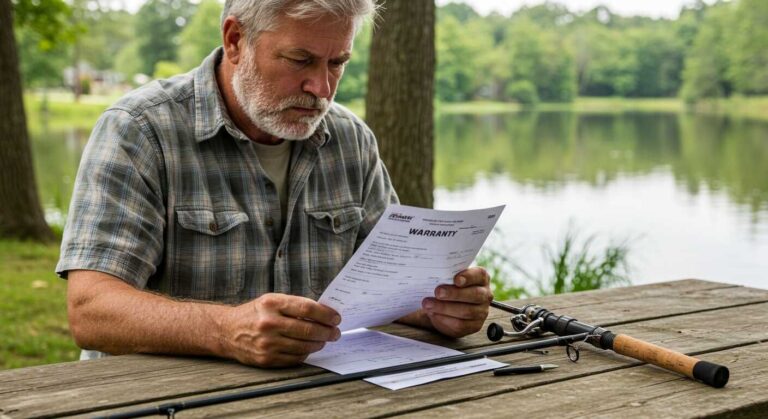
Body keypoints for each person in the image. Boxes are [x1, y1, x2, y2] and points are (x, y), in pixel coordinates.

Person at [56, 0, 492, 368]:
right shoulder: (140, 130)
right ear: (235, 40)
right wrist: (225, 330)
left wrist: (437, 307)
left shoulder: (350, 140)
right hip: (161, 399)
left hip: (318, 397)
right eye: (300, 59)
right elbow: (92, 310)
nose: (320, 87)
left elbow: (387, 286)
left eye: (337, 63)